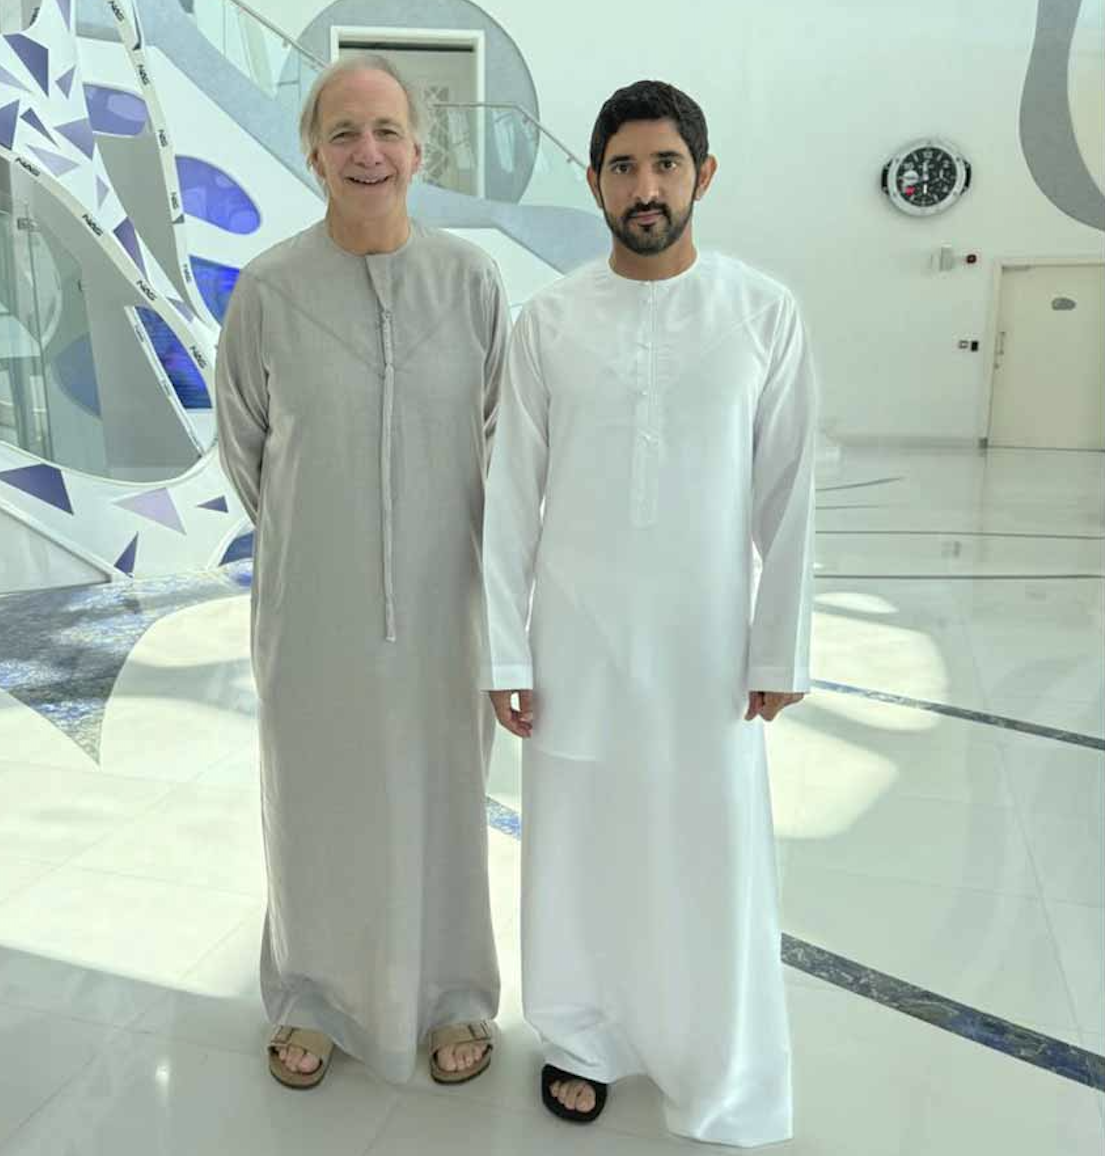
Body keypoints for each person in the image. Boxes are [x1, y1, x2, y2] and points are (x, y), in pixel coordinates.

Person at [482, 79, 816, 1146]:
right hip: (575, 642)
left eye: (665, 164)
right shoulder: (548, 321)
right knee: (578, 844)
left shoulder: (762, 312)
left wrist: (780, 643)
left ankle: (709, 1049)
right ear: (593, 182)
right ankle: (581, 1037)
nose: (645, 187)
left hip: (705, 646)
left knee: (704, 845)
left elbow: (789, 490)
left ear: (701, 176)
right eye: (623, 167)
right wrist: (503, 649)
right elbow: (509, 492)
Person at [215, 54, 507, 1090]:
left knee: (445, 800)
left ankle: (454, 996)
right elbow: (247, 448)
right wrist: (325, 538)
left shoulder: (471, 282)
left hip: (444, 605)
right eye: (342, 132)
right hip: (313, 607)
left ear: (419, 151)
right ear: (312, 155)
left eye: (386, 131)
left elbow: (498, 440)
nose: (366, 152)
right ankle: (312, 997)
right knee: (315, 801)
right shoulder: (269, 289)